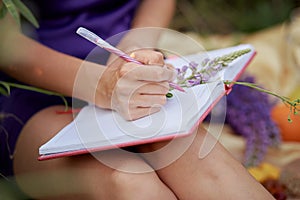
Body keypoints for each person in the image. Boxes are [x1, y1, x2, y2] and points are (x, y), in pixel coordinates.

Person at [0, 0, 275, 199]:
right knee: (128, 183)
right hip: (38, 90)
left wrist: (135, 48)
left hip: (127, 65)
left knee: (199, 157)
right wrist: (103, 85)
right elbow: (6, 45)